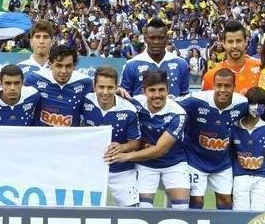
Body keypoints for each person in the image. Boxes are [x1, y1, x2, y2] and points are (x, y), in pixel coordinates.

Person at [104, 71, 189, 209]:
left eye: (161, 90)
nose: (157, 95)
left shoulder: (178, 113)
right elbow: (107, 93)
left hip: (173, 163)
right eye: (152, 90)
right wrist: (117, 90)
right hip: (146, 164)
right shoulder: (135, 103)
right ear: (144, 91)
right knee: (143, 208)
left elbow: (159, 150)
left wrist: (125, 156)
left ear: (168, 90)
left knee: (181, 209)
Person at [179, 68, 248, 210]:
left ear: (234, 87)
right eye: (219, 85)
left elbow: (262, 113)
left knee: (226, 200)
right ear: (213, 85)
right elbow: (170, 104)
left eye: (227, 86)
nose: (223, 90)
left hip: (222, 162)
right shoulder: (195, 100)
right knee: (196, 200)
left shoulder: (242, 104)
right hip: (195, 160)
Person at [82, 66, 141, 206]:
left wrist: (122, 146)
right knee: (85, 211)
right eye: (101, 87)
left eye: (110, 87)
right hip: (90, 168)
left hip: (121, 169)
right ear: (94, 87)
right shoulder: (85, 101)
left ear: (117, 88)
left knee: (132, 211)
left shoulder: (129, 110)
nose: (105, 92)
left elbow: (135, 142)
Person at [231, 87, 265, 212]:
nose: (256, 107)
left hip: (261, 178)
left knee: (259, 215)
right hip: (240, 177)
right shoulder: (234, 127)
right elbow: (229, 156)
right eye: (252, 103)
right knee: (240, 215)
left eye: (260, 104)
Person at [25, 44, 93, 127]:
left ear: (74, 66)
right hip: (41, 137)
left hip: (70, 138)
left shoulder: (85, 83)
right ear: (50, 64)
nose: (63, 71)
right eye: (59, 66)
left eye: (68, 66)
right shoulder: (34, 79)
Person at [120, 18, 190, 97]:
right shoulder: (130, 65)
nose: (156, 42)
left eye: (160, 38)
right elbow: (124, 100)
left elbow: (185, 99)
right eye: (152, 38)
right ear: (146, 39)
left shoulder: (181, 63)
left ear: (167, 39)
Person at [202, 21, 261, 95]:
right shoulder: (211, 75)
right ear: (223, 43)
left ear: (246, 42)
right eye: (230, 42)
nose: (235, 46)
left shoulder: (260, 67)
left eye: (239, 41)